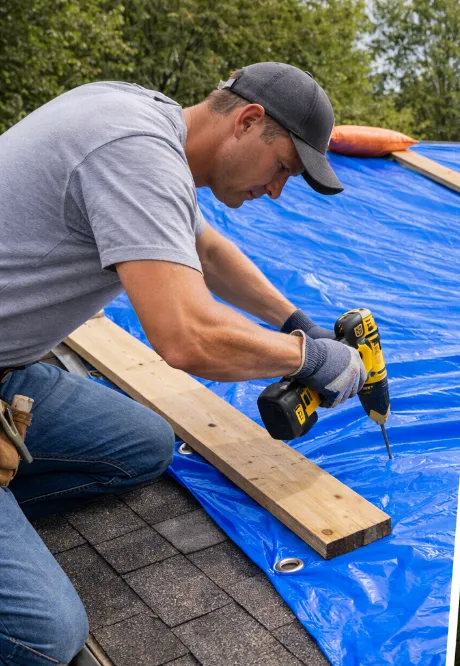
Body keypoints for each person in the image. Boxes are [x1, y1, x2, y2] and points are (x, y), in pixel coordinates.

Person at [0, 62, 367, 664]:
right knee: (45, 636)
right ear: (249, 121)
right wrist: (310, 359)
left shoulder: (144, 122)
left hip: (8, 366)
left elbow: (206, 250)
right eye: (282, 168)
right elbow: (187, 338)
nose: (277, 191)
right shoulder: (135, 153)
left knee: (143, 444)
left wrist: (294, 323)